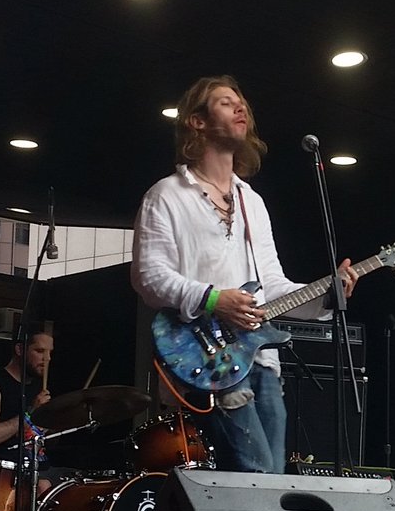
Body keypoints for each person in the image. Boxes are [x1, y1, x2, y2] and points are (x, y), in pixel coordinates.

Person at [132, 75, 357, 474]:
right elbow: (149, 277)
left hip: (260, 359)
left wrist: (328, 294)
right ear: (196, 122)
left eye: (242, 104)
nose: (240, 109)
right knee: (254, 473)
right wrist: (215, 300)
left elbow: (272, 286)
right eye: (224, 103)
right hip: (206, 357)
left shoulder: (252, 201)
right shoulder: (166, 195)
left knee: (272, 477)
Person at [0, 328, 55, 495]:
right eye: (39, 351)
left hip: (40, 468)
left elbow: (43, 438)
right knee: (44, 486)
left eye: (50, 353)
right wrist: (30, 413)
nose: (47, 358)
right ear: (20, 350)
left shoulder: (39, 389)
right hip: (6, 476)